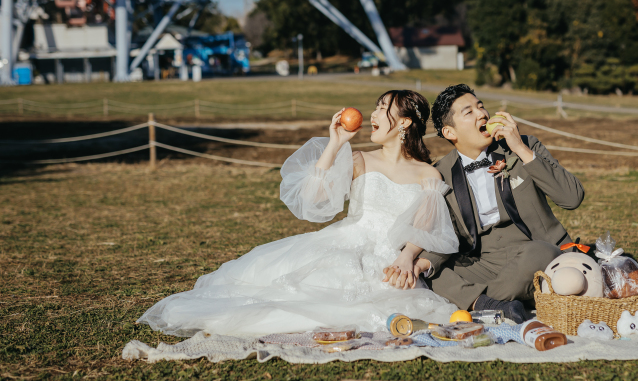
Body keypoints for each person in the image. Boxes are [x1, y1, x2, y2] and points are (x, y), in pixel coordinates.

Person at [136, 90, 459, 336]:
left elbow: (426, 225)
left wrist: (407, 257)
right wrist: (335, 143)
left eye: (382, 109)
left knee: (393, 300)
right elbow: (312, 198)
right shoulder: (359, 159)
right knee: (316, 283)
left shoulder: (427, 175)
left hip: (391, 255)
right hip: (347, 240)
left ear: (404, 122)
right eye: (375, 107)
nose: (373, 113)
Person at [385, 84, 584, 323]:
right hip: (482, 261)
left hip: (534, 248)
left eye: (481, 107)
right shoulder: (441, 173)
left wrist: (519, 148)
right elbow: (445, 231)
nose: (483, 114)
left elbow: (572, 198)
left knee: (540, 252)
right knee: (430, 271)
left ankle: (479, 302)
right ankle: (499, 302)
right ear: (450, 132)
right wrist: (423, 262)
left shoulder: (525, 146)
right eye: (469, 112)